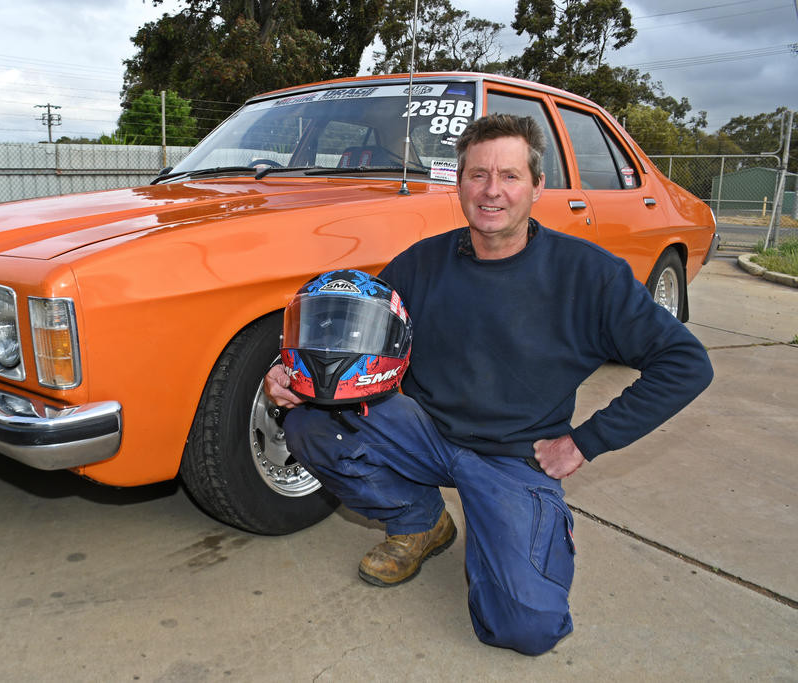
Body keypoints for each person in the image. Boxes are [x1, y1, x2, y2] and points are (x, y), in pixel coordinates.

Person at [263, 113, 714, 656]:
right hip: (424, 432)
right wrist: (286, 374)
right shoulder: (421, 263)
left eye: (509, 176)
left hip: (515, 456)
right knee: (313, 422)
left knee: (524, 628)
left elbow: (686, 363)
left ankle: (503, 526)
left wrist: (586, 442)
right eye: (477, 175)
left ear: (537, 186)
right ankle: (420, 523)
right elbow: (348, 328)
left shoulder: (590, 275)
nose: (491, 191)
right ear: (459, 185)